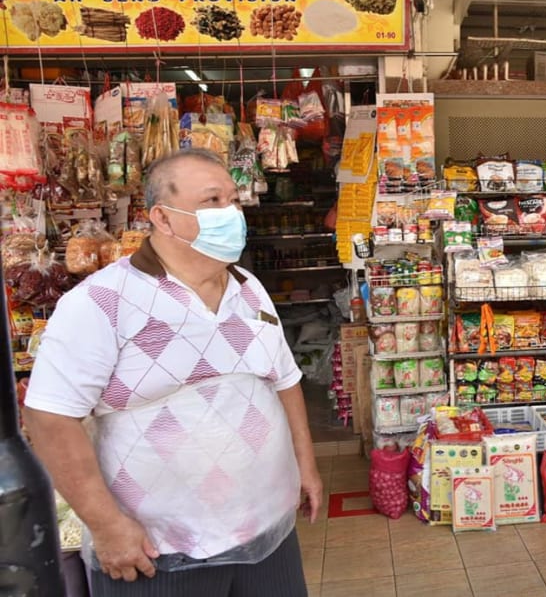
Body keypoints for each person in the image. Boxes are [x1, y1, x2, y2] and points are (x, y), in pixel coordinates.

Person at [24, 148, 322, 596]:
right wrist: (107, 526)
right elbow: (49, 418)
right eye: (214, 201)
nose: (232, 213)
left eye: (234, 200)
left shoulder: (249, 288)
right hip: (156, 551)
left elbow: (285, 381)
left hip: (266, 534)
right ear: (162, 218)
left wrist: (306, 467)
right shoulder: (101, 301)